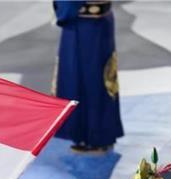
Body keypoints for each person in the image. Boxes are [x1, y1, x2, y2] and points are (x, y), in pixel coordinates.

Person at [53, 0, 124, 154]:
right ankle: (99, 136)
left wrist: (63, 10)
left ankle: (94, 137)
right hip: (99, 21)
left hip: (83, 25)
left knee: (87, 78)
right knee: (101, 78)